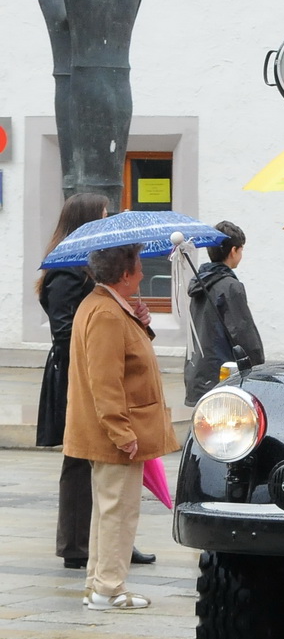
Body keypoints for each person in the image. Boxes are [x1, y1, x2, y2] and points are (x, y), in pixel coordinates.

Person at [36, 193, 157, 570]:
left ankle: (111, 541)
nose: (108, 221)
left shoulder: (88, 271)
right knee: (79, 458)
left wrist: (129, 313)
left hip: (90, 368)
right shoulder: (66, 273)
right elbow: (65, 332)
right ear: (85, 221)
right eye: (103, 215)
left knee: (100, 461)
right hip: (74, 374)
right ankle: (77, 544)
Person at [63, 243, 176, 610]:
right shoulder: (107, 313)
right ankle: (108, 589)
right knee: (119, 511)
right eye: (139, 266)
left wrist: (141, 323)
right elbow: (105, 381)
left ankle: (98, 583)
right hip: (115, 434)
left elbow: (125, 360)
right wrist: (121, 431)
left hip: (111, 431)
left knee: (108, 509)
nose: (143, 272)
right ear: (124, 274)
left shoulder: (108, 307)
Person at [185, 221, 266, 405]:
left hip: (199, 372)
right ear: (233, 251)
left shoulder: (200, 283)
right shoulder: (230, 286)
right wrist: (258, 365)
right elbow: (242, 331)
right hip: (223, 373)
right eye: (241, 249)